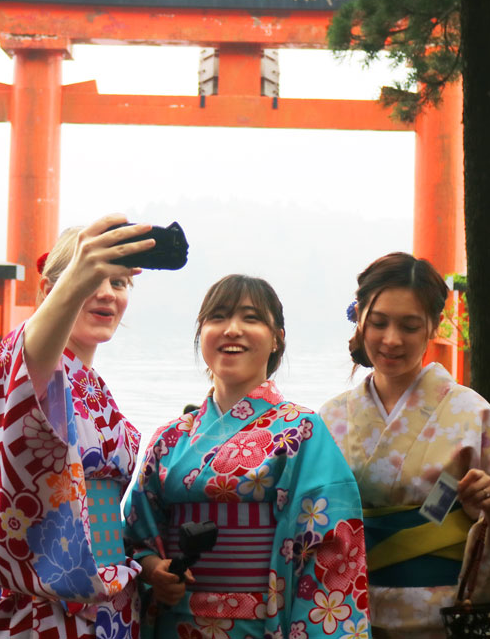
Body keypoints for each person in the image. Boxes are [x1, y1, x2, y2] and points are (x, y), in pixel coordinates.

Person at [319, 252, 490, 639]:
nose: (391, 339)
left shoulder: (469, 411)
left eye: (410, 326)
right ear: (360, 318)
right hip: (348, 614)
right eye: (379, 323)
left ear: (433, 326)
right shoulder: (330, 417)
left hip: (451, 619)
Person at [124, 274, 371, 639]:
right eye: (218, 317)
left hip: (263, 624)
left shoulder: (301, 431)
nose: (232, 329)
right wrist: (151, 570)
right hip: (177, 622)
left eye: (251, 318)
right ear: (201, 333)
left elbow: (333, 547)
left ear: (277, 338)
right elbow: (134, 535)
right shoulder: (169, 437)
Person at [0, 216, 156, 639]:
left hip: (109, 596)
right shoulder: (27, 358)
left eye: (119, 283)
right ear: (52, 292)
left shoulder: (94, 384)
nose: (105, 292)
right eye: (91, 280)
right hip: (42, 598)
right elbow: (30, 357)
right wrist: (75, 282)